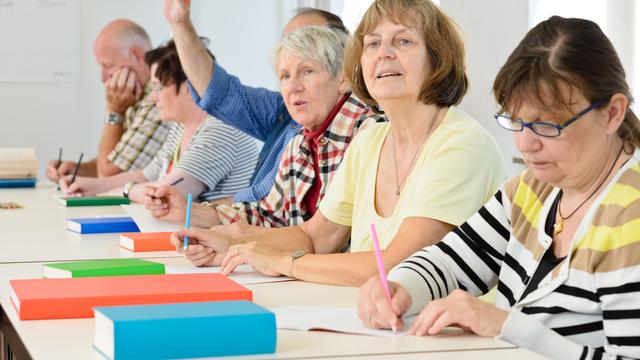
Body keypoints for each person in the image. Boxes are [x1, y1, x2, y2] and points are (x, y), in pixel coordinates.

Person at [357, 16, 640, 360]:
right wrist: (401, 288)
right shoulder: (534, 190)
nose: (526, 144)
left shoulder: (631, 216)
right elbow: (451, 262)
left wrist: (508, 327)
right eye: (516, 121)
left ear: (612, 113)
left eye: (547, 125)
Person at [167, 0, 506, 286]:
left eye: (403, 42)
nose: (384, 53)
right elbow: (316, 236)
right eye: (372, 44)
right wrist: (229, 243)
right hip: (372, 319)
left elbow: (398, 267)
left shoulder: (461, 143)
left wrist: (285, 262)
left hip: (446, 337)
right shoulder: (371, 140)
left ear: (438, 59)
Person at [146, 25, 384, 237]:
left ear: (342, 79)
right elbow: (268, 216)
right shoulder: (299, 141)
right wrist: (189, 211)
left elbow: (325, 241)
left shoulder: (370, 134)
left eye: (307, 71)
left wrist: (242, 248)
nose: (292, 87)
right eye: (285, 76)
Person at [161, 0, 349, 205]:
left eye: (309, 42)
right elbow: (219, 93)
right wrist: (179, 23)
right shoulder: (284, 109)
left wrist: (211, 210)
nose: (294, 50)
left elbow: (268, 201)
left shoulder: (356, 126)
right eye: (288, 44)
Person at [59, 40, 258, 203]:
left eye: (158, 87)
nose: (153, 97)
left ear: (190, 86)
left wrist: (123, 191)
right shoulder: (181, 126)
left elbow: (167, 195)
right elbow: (146, 176)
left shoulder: (220, 129)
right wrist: (89, 185)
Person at [46, 19, 170, 181]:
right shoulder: (136, 96)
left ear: (137, 56)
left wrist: (114, 110)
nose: (103, 78)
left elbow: (109, 176)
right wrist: (76, 170)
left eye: (109, 66)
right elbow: (120, 160)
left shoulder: (158, 101)